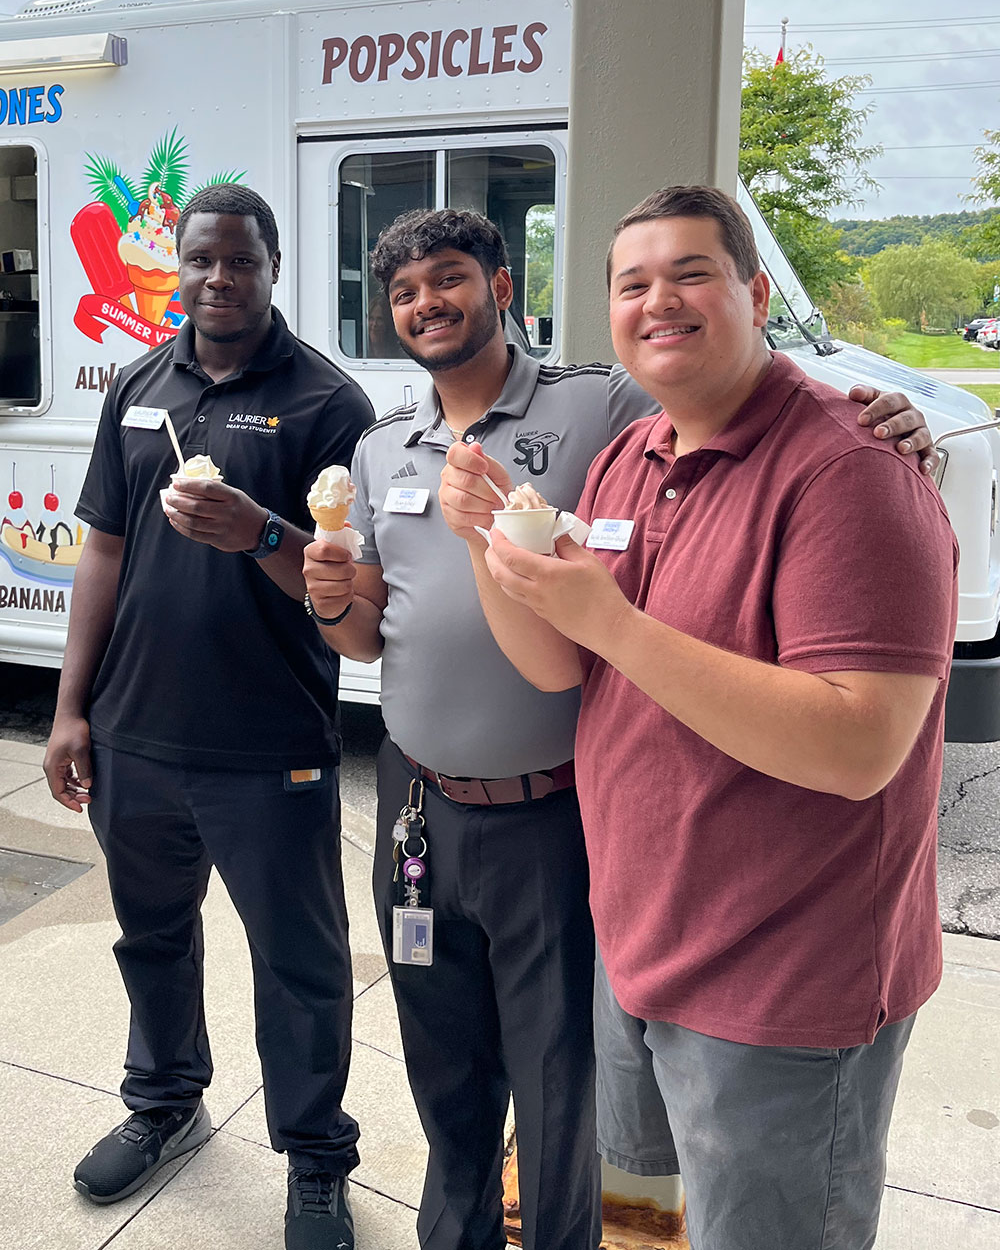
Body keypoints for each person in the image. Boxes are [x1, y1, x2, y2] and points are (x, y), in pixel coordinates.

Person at [301, 205, 935, 1250]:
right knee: (620, 1187)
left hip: (729, 938)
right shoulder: (589, 456)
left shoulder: (606, 413)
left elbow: (853, 736)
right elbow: (442, 639)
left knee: (611, 1133)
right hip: (461, 831)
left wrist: (897, 417)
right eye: (632, 285)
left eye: (690, 276)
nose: (657, 306)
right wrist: (333, 594)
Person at [43, 184, 374, 1250]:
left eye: (240, 261)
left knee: (300, 964)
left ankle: (316, 1157)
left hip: (265, 743)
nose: (218, 279)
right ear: (175, 268)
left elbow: (344, 585)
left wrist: (258, 529)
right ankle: (166, 1102)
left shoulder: (327, 404)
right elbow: (103, 545)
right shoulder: (139, 385)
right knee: (150, 938)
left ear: (275, 267)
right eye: (200, 260)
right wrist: (69, 709)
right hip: (135, 733)